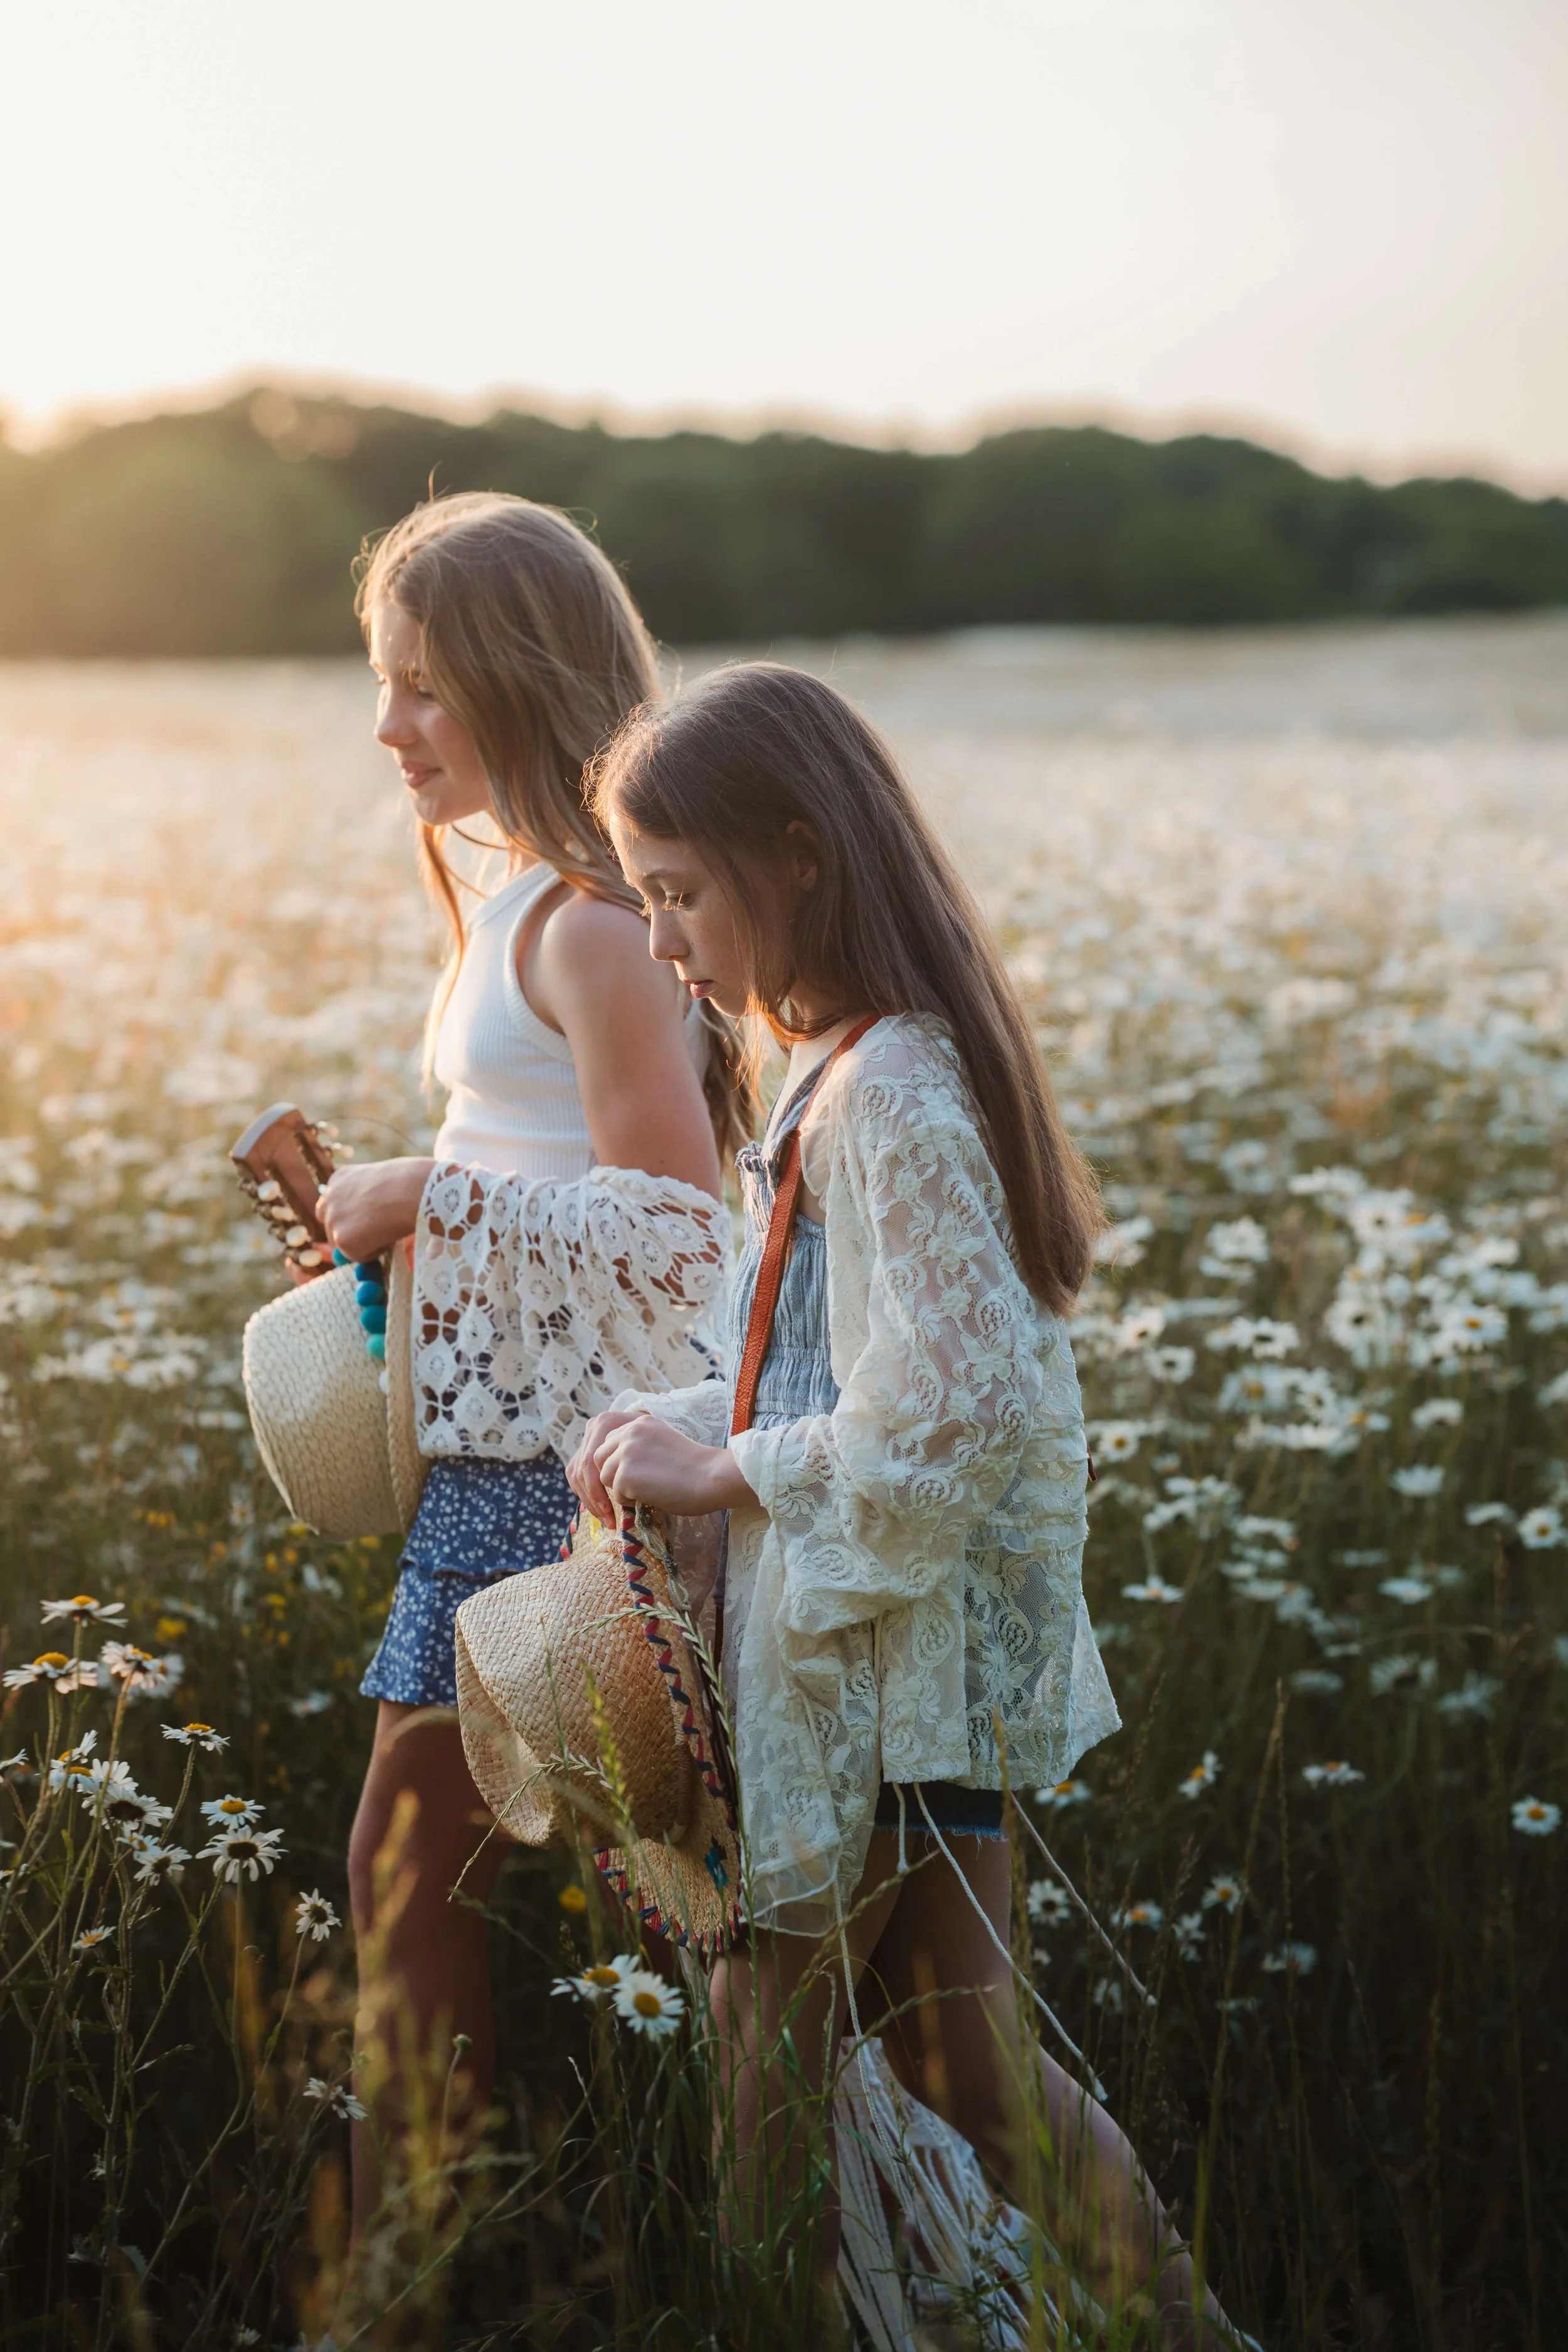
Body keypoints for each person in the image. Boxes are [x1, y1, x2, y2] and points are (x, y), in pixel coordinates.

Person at [568, 663, 1243, 2344]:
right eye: (643, 900)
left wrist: (718, 1466)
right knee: (962, 2063)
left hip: (872, 1675)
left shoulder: (890, 1090)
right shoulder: (851, 1072)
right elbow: (828, 1366)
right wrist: (666, 1421)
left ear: (799, 856)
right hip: (871, 1658)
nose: (662, 946)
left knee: (764, 2108)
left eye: (679, 895)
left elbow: (951, 1406)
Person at [314, 494, 746, 2254]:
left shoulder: (584, 921)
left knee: (441, 1875)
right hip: (511, 1455)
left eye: (424, 686)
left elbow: (674, 1227)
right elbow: (555, 1179)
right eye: (383, 684)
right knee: (635, 1888)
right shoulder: (519, 906)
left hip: (556, 1477)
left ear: (520, 677)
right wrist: (413, 1242)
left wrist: (433, 1195)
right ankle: (490, 2220)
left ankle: (432, 2240)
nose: (392, 724)